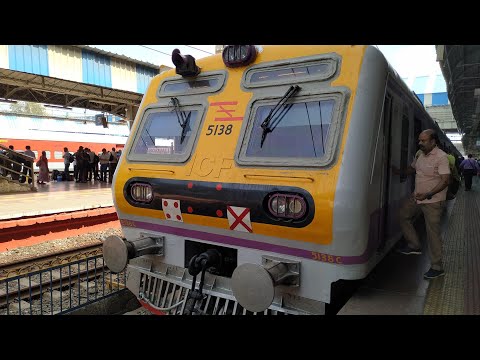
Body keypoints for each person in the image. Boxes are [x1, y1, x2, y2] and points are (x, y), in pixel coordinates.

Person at [393, 129, 450, 280]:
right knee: (403, 215)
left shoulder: (441, 157)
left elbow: (445, 180)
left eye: (423, 141)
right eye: (420, 140)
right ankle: (414, 245)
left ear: (433, 142)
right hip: (417, 197)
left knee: (433, 234)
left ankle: (437, 267)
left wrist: (428, 194)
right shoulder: (419, 154)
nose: (420, 143)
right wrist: (399, 172)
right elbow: (413, 168)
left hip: (433, 201)